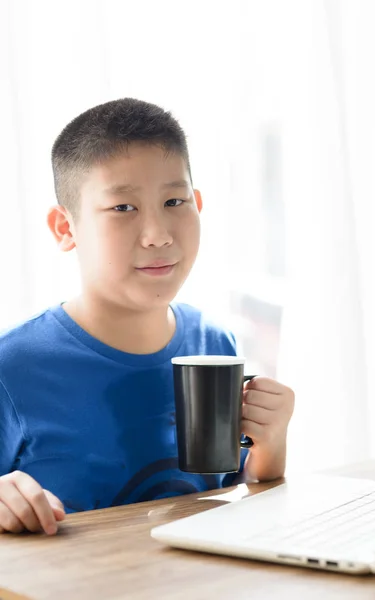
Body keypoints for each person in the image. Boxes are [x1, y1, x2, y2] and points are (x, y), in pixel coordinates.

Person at [0, 98, 294, 535]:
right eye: (123, 208)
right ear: (66, 228)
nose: (158, 234)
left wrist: (271, 444)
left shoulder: (214, 344)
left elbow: (233, 500)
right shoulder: (14, 366)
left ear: (197, 203)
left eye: (175, 201)